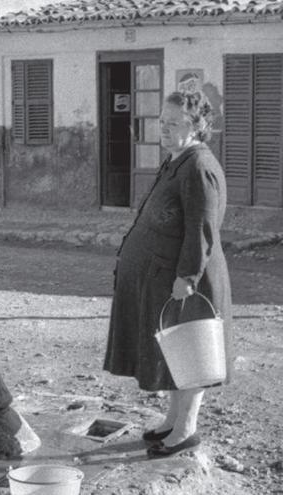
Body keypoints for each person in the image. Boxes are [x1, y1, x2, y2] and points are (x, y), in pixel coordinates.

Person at [104, 90, 232, 457]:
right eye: (161, 122)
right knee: (175, 350)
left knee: (193, 351)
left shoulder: (200, 167)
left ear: (197, 127)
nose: (163, 129)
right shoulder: (177, 160)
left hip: (189, 281)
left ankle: (186, 429)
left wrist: (188, 277)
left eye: (173, 123)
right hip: (166, 277)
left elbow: (202, 229)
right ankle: (173, 419)